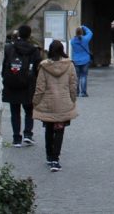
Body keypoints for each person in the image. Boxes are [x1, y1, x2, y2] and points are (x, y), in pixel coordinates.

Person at [32, 39, 78, 172]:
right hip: (63, 102)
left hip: (48, 102)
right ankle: (55, 159)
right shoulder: (69, 65)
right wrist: (72, 99)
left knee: (49, 128)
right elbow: (73, 85)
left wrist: (35, 101)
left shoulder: (44, 66)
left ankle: (48, 154)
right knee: (59, 130)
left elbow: (40, 87)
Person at [1, 24, 42, 148]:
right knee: (29, 110)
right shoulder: (34, 50)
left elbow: (3, 65)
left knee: (15, 111)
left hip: (12, 83)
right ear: (29, 35)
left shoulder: (9, 48)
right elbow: (37, 68)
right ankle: (28, 134)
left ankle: (16, 138)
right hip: (28, 84)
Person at [70, 25, 92, 97]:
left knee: (77, 77)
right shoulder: (85, 39)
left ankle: (76, 92)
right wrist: (84, 27)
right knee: (84, 76)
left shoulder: (72, 41)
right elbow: (90, 33)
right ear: (82, 32)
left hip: (76, 60)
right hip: (85, 60)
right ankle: (83, 93)